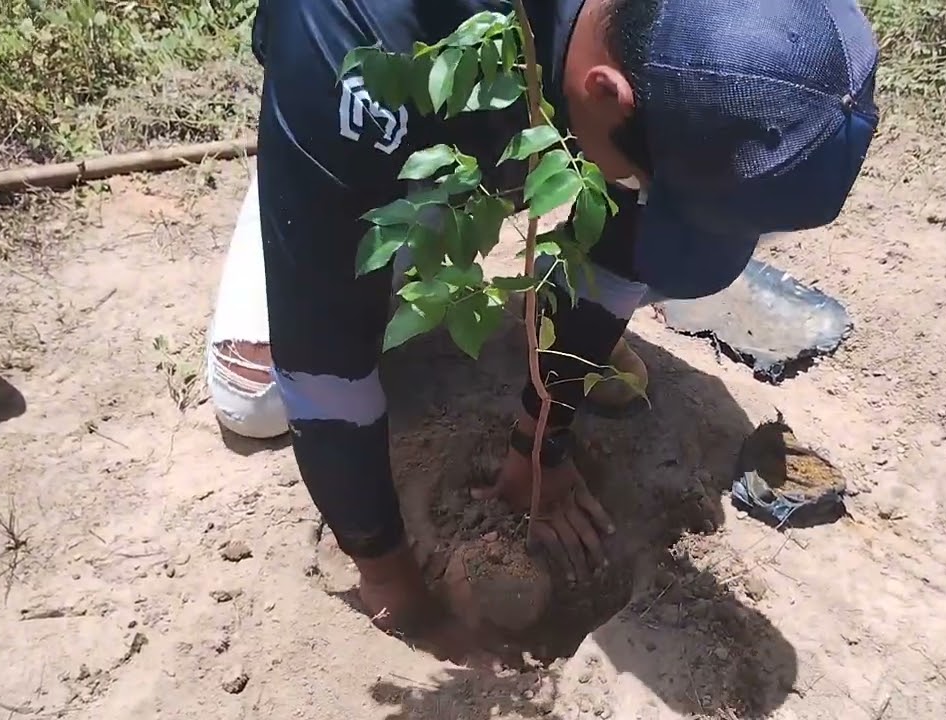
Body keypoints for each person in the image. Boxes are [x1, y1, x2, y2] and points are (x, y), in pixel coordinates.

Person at [205, 0, 879, 661]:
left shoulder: (690, 57)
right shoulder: (353, 31)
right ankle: (334, 182)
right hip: (384, 112)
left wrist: (541, 439)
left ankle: (570, 264)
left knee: (654, 222)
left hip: (566, 89)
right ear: (607, 90)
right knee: (261, 396)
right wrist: (391, 582)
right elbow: (321, 369)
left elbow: (640, 214)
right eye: (646, 180)